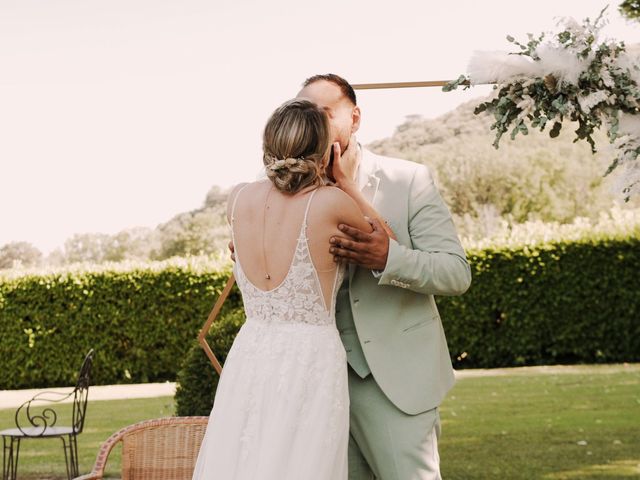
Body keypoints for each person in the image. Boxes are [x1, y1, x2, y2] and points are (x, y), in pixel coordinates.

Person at [192, 98, 392, 480]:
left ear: (268, 146)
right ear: (323, 150)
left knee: (244, 458)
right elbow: (388, 245)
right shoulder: (332, 202)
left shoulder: (237, 200)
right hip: (310, 356)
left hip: (251, 350)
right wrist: (346, 182)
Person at [296, 74, 472, 480]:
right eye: (306, 114)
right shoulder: (287, 195)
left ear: (354, 118)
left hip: (397, 383)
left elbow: (454, 272)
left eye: (324, 113)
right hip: (319, 386)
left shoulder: (409, 180)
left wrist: (389, 257)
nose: (314, 125)